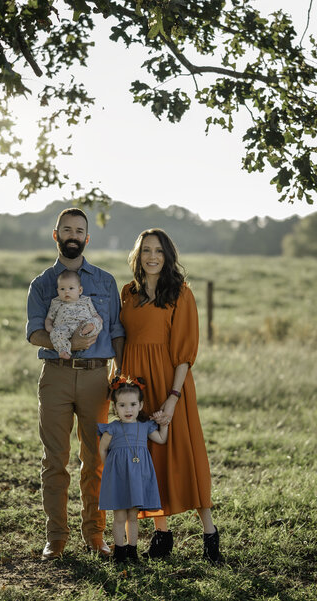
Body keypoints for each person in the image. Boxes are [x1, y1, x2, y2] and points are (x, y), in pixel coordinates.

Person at [26, 207, 125, 560]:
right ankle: (56, 538)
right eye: (66, 229)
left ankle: (95, 535)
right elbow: (35, 332)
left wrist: (123, 377)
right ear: (56, 236)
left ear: (87, 238)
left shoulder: (104, 281)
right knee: (55, 459)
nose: (72, 235)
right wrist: (64, 344)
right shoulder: (40, 284)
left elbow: (116, 333)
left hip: (98, 378)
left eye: (79, 230)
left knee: (95, 459)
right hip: (55, 376)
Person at [120, 228, 223, 564]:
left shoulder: (181, 294)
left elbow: (184, 355)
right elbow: (121, 342)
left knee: (185, 455)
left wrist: (172, 399)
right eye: (146, 250)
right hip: (136, 388)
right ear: (138, 255)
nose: (152, 257)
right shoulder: (127, 293)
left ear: (168, 257)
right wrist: (121, 387)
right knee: (145, 460)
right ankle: (162, 534)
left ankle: (210, 537)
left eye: (159, 251)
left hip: (170, 384)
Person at [98, 376, 168, 563]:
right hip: (119, 476)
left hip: (138, 477)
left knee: (133, 516)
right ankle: (119, 553)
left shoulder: (145, 426)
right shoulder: (112, 428)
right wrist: (109, 468)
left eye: (132, 404)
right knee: (120, 516)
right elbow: (103, 448)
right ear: (115, 407)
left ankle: (132, 551)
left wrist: (164, 424)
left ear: (140, 405)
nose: (128, 409)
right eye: (122, 405)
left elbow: (161, 439)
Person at [45, 270, 103, 359]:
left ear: (80, 290)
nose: (66, 292)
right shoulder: (56, 302)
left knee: (95, 321)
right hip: (65, 328)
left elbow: (94, 314)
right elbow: (49, 318)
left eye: (71, 288)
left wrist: (98, 320)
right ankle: (64, 350)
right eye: (62, 289)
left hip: (83, 325)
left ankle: (88, 329)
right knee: (56, 333)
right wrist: (50, 328)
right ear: (58, 291)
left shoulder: (85, 300)